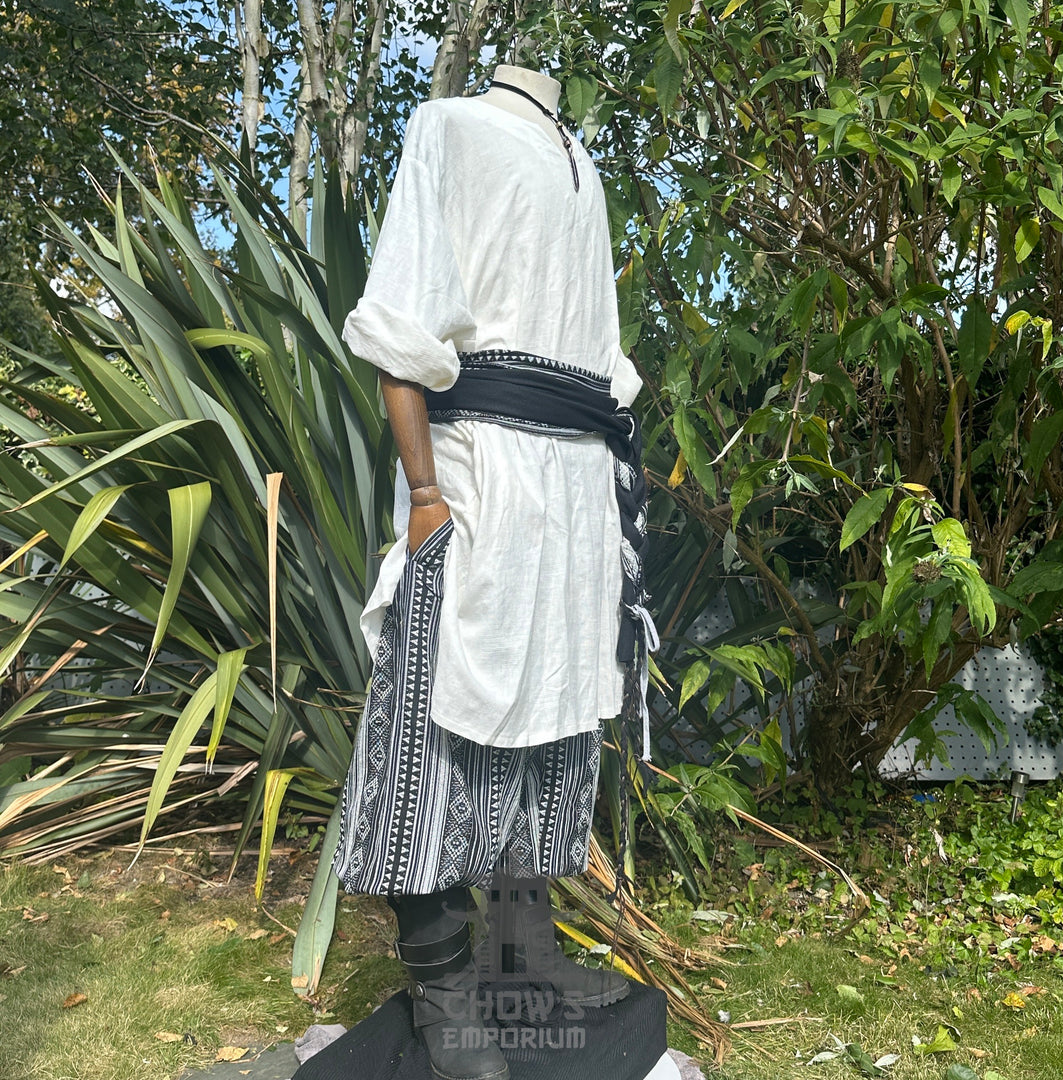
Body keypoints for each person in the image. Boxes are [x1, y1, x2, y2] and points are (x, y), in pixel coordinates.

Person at [333, 64, 652, 1080]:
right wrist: (426, 491)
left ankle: (525, 962)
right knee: (433, 722)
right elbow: (402, 317)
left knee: (555, 722)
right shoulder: (449, 126)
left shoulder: (584, 167)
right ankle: (441, 985)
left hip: (573, 486)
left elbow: (597, 347)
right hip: (481, 472)